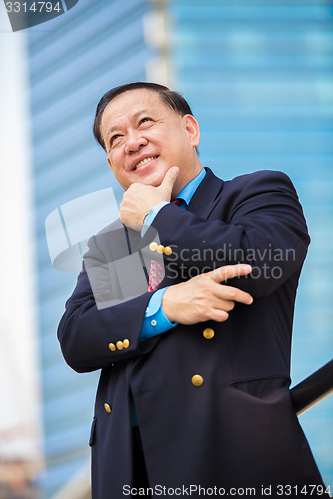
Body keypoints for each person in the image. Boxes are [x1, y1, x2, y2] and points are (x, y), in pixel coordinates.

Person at [57, 82, 327, 498]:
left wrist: (155, 215)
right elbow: (78, 338)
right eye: (115, 139)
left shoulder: (254, 193)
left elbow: (255, 265)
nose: (132, 142)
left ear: (190, 129)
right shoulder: (115, 244)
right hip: (129, 467)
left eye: (145, 122)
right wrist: (164, 306)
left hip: (229, 456)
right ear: (111, 162)